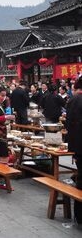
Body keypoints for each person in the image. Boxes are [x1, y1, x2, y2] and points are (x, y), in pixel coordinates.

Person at [66, 76, 82, 224]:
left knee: (81, 180)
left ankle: (79, 215)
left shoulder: (72, 100)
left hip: (77, 147)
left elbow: (68, 123)